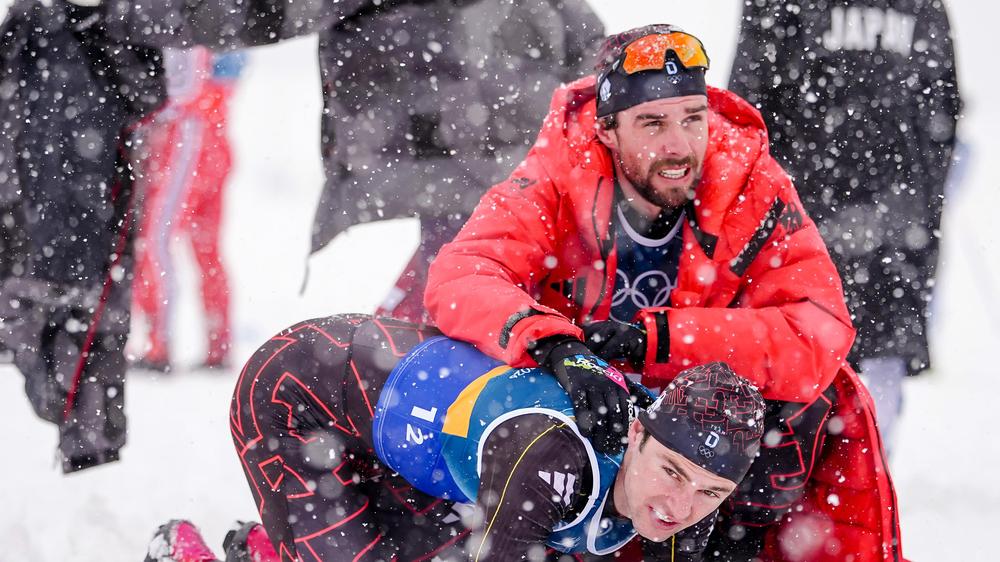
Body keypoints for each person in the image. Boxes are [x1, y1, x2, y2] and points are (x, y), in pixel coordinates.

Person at [425, 25, 903, 560]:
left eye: (692, 119)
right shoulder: (556, 173)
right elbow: (462, 273)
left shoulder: (752, 182)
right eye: (652, 123)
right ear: (607, 129)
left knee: (824, 402)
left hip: (697, 421)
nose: (678, 146)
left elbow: (818, 326)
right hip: (570, 404)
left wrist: (659, 341)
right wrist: (552, 343)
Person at [146, 314, 765, 562]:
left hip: (414, 441)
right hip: (303, 392)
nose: (679, 507)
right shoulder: (553, 459)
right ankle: (185, 553)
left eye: (710, 493)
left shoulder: (689, 491)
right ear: (635, 431)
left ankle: (265, 547)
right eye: (673, 474)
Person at [728, 0, 962, 447]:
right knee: (800, 370)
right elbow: (747, 111)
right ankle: (805, 491)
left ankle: (866, 489)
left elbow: (943, 113)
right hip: (805, 227)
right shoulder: (779, 4)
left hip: (897, 232)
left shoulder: (924, 6)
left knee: (880, 377)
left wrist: (921, 205)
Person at [0, 0, 165, 472]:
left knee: (79, 326)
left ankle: (89, 446)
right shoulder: (31, 31)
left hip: (79, 205)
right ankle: (87, 440)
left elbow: (149, 92)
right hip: (52, 207)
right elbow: (149, 93)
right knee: (64, 323)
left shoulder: (106, 24)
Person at [132, 47, 245, 372]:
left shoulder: (182, 26)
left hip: (186, 138)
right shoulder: (221, 24)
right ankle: (217, 345)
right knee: (205, 250)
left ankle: (159, 345)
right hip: (212, 134)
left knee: (155, 242)